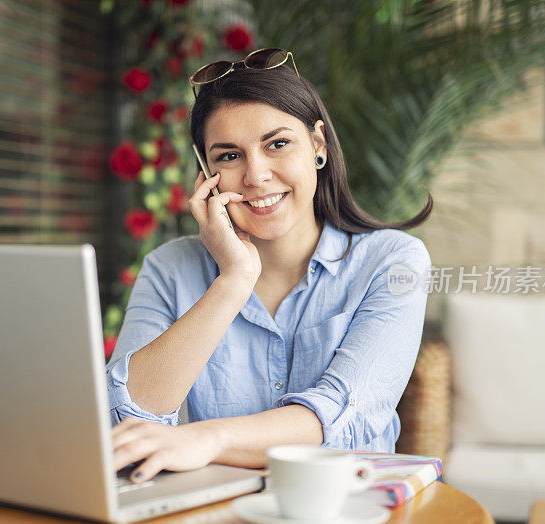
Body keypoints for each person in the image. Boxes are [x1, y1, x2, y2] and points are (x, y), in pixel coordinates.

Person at [108, 49, 433, 483]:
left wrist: (209, 439)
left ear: (318, 145)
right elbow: (128, 419)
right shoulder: (170, 269)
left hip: (350, 519)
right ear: (206, 173)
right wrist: (233, 280)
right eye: (228, 156)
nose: (256, 175)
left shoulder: (393, 261)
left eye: (277, 144)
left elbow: (341, 421)